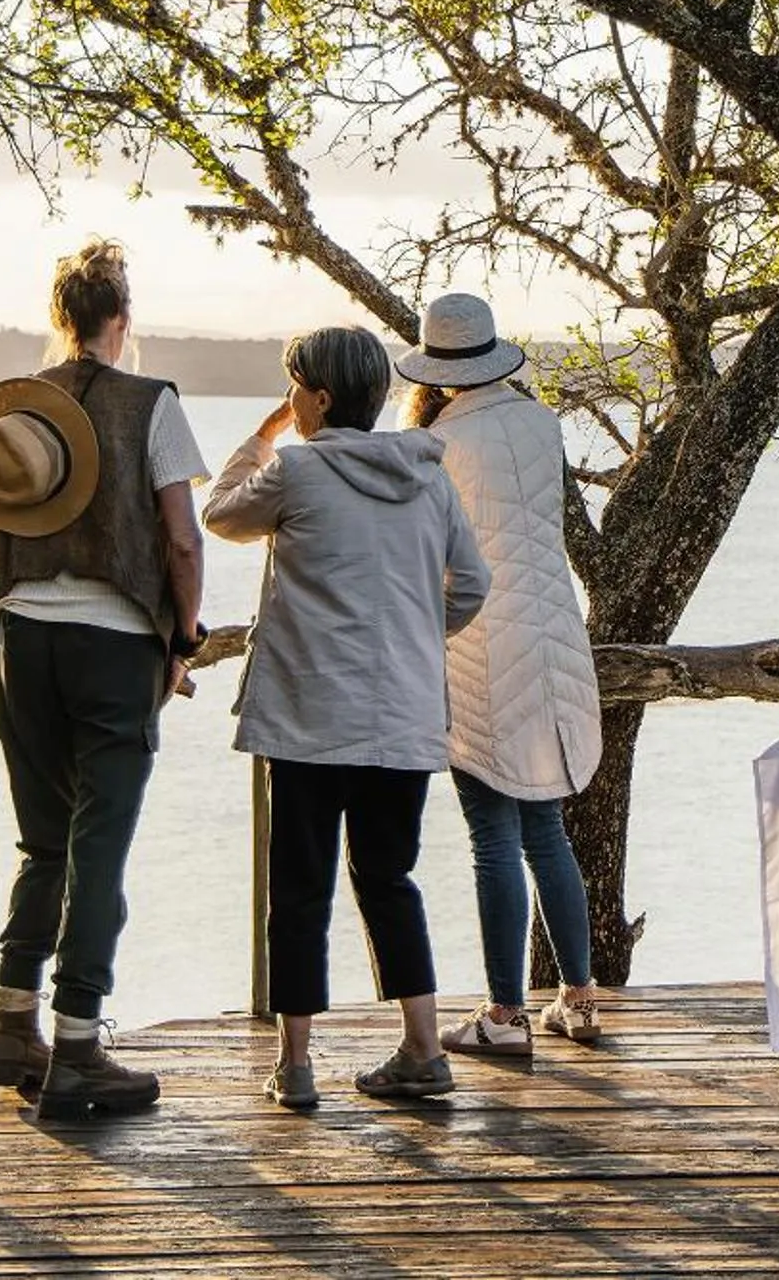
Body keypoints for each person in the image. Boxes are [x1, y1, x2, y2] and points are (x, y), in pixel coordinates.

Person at [0, 239, 208, 1120]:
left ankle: (13, 1026)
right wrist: (184, 639)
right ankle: (81, 1046)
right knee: (99, 851)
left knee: (43, 843)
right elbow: (181, 539)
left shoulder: (14, 414)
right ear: (121, 322)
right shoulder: (152, 405)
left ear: (60, 319)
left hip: (25, 643)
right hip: (115, 645)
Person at [202, 325, 490, 1110]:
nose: (288, 402)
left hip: (308, 716)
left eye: (293, 387)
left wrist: (260, 438)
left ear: (318, 399)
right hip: (401, 717)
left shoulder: (296, 471)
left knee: (299, 889)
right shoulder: (429, 478)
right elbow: (471, 584)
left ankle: (296, 1067)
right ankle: (423, 1050)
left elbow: (220, 515)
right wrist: (410, 636)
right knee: (390, 880)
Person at [395, 293, 606, 1058]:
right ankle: (577, 1000)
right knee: (546, 827)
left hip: (479, 639)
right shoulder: (539, 422)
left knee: (491, 834)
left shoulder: (437, 442)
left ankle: (504, 1016)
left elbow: (429, 553)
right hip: (554, 634)